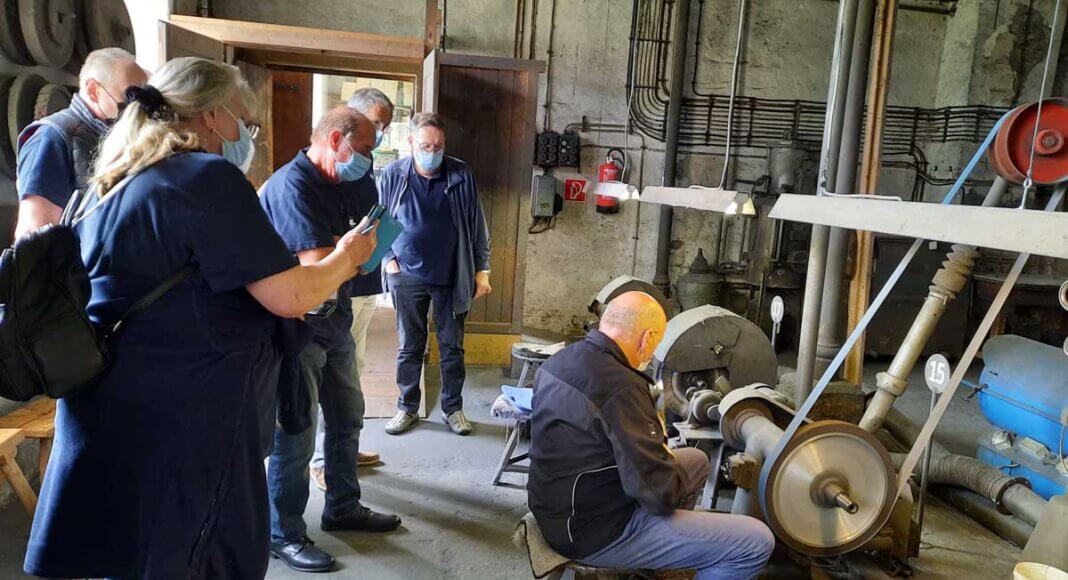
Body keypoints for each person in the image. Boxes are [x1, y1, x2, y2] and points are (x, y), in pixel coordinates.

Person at [23, 57, 377, 580]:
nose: (246, 134)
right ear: (212, 114)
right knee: (194, 557)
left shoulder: (116, 178)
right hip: (183, 419)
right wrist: (348, 257)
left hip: (111, 407)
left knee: (132, 553)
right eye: (245, 120)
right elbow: (291, 295)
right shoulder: (204, 178)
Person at [527, 292, 775, 580]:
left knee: (695, 459)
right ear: (647, 338)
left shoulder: (562, 360)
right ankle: (659, 547)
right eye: (652, 346)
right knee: (756, 542)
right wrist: (663, 458)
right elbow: (659, 495)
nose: (648, 356)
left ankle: (657, 565)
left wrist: (660, 455)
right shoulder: (623, 389)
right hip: (593, 531)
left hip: (557, 504)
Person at [260, 106, 401, 573]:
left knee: (346, 416)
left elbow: (365, 245)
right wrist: (347, 254)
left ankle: (343, 507)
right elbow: (316, 263)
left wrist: (349, 253)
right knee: (296, 430)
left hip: (335, 319)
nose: (368, 159)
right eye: (363, 149)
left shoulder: (351, 180)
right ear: (335, 139)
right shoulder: (292, 185)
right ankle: (283, 533)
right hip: (296, 330)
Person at [378, 112, 491, 436]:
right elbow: (378, 221)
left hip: (452, 275)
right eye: (426, 145)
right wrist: (388, 260)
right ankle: (407, 408)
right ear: (411, 143)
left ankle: (453, 410)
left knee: (452, 347)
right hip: (406, 273)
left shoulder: (460, 174)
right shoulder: (393, 175)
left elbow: (476, 224)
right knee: (409, 347)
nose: (432, 151)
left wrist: (482, 269)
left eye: (438, 146)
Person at [308, 87, 396, 490]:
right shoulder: (325, 172)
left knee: (353, 371)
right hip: (339, 284)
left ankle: (344, 447)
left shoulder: (362, 164)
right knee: (332, 377)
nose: (379, 136)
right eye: (375, 125)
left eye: (384, 127)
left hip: (364, 279)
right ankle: (323, 460)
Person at [14, 47, 146, 238]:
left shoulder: (120, 139)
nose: (136, 110)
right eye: (128, 98)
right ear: (93, 90)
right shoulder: (51, 137)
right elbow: (35, 235)